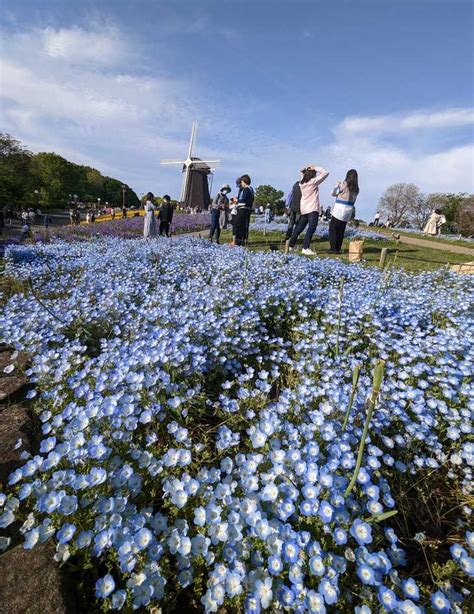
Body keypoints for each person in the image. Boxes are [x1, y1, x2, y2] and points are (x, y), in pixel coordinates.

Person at [288, 165, 329, 255]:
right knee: (312, 227)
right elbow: (325, 173)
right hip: (312, 208)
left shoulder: (301, 183)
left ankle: (291, 245)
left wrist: (303, 171)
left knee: (299, 227)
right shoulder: (313, 182)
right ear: (312, 176)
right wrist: (315, 167)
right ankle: (305, 247)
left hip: (304, 208)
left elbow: (303, 176)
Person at [328, 169, 360, 254]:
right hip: (348, 210)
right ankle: (338, 248)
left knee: (333, 228)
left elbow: (333, 193)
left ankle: (333, 248)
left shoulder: (344, 184)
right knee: (341, 230)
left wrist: (337, 185)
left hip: (339, 208)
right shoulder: (356, 188)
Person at [234, 175, 254, 246]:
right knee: (243, 226)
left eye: (242, 182)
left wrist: (237, 200)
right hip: (247, 209)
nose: (241, 183)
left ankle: (237, 242)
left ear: (244, 182)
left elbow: (243, 200)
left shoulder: (246, 189)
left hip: (243, 209)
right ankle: (241, 241)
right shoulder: (251, 189)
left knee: (237, 224)